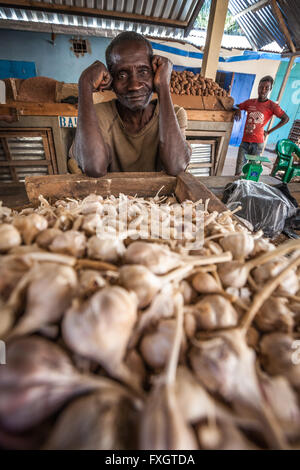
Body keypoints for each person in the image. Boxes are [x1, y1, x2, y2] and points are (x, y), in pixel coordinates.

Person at [70, 31, 191, 176]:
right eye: (122, 75)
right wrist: (84, 84)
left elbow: (176, 166)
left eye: (143, 72)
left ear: (155, 74)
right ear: (110, 80)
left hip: (158, 198)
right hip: (110, 198)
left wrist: (163, 86)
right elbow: (94, 167)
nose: (134, 85)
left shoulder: (175, 114)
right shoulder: (98, 115)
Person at [234, 75, 289, 175]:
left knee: (252, 171)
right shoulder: (250, 102)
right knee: (238, 170)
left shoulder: (272, 105)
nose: (263, 90)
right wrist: (237, 109)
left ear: (270, 89)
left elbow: (285, 119)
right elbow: (237, 106)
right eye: (261, 87)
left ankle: (249, 188)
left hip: (257, 144)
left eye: (266, 88)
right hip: (245, 142)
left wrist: (268, 132)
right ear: (258, 87)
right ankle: (236, 188)